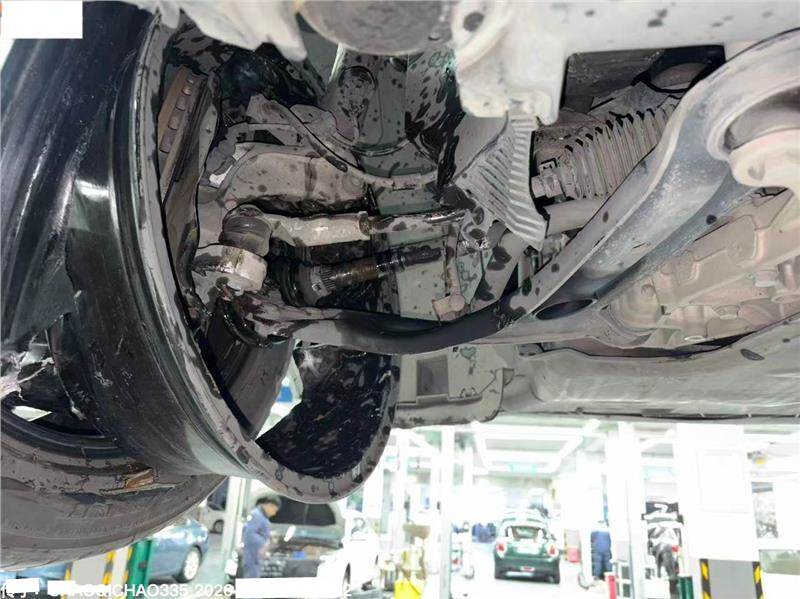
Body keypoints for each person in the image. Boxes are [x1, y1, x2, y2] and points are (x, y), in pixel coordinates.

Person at [242, 495, 281, 578]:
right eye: (274, 510)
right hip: (252, 554)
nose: (274, 513)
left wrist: (269, 534)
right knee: (251, 578)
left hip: (256, 555)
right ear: (270, 505)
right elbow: (250, 534)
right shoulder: (257, 515)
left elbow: (259, 531)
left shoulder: (261, 515)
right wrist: (264, 544)